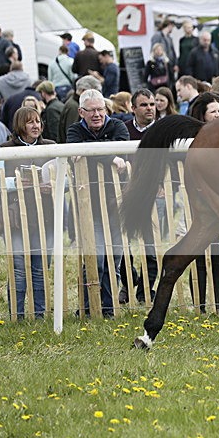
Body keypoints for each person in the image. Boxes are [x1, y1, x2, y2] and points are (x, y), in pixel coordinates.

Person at [0, 107, 56, 319]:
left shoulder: (51, 147)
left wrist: (52, 184)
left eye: (38, 121)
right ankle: (16, 315)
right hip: (15, 216)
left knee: (40, 266)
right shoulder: (4, 149)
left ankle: (40, 314)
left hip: (45, 214)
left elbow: (65, 179)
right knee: (18, 266)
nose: (36, 126)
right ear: (20, 125)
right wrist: (15, 182)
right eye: (30, 122)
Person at [67, 89, 129, 317]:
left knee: (114, 258)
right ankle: (88, 306)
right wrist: (110, 158)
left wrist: (94, 154)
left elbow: (120, 149)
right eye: (91, 110)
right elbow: (77, 150)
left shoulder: (118, 127)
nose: (97, 114)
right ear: (81, 112)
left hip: (116, 204)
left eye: (100, 109)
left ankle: (109, 307)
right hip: (89, 205)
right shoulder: (74, 130)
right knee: (96, 258)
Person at [187, 92, 219, 312]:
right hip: (200, 198)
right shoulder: (195, 139)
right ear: (203, 115)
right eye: (214, 111)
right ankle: (200, 304)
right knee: (199, 250)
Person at [119, 89, 159, 305]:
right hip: (128, 193)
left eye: (152, 104)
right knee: (125, 243)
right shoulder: (123, 130)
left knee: (151, 245)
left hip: (156, 194)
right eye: (144, 105)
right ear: (132, 108)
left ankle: (146, 287)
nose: (149, 108)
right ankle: (128, 282)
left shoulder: (162, 131)